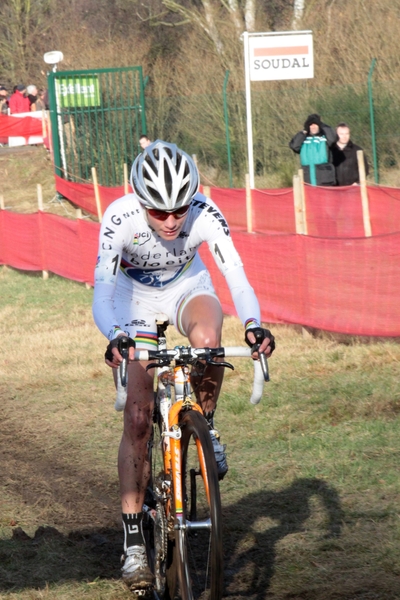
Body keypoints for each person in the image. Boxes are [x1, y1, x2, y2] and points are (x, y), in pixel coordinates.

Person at [92, 140, 275, 591]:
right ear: (140, 199)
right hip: (132, 301)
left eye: (179, 210)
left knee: (210, 343)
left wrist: (254, 325)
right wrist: (116, 336)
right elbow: (101, 290)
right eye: (159, 212)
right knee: (137, 417)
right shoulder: (119, 217)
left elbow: (236, 276)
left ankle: (204, 426)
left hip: (186, 288)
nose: (171, 221)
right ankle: (134, 539)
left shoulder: (206, 213)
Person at [289, 113, 337, 186]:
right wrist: (304, 131)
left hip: (325, 181)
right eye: (311, 125)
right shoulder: (303, 139)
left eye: (315, 124)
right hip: (307, 180)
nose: (313, 127)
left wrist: (322, 125)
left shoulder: (324, 138)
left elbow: (333, 139)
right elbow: (294, 146)